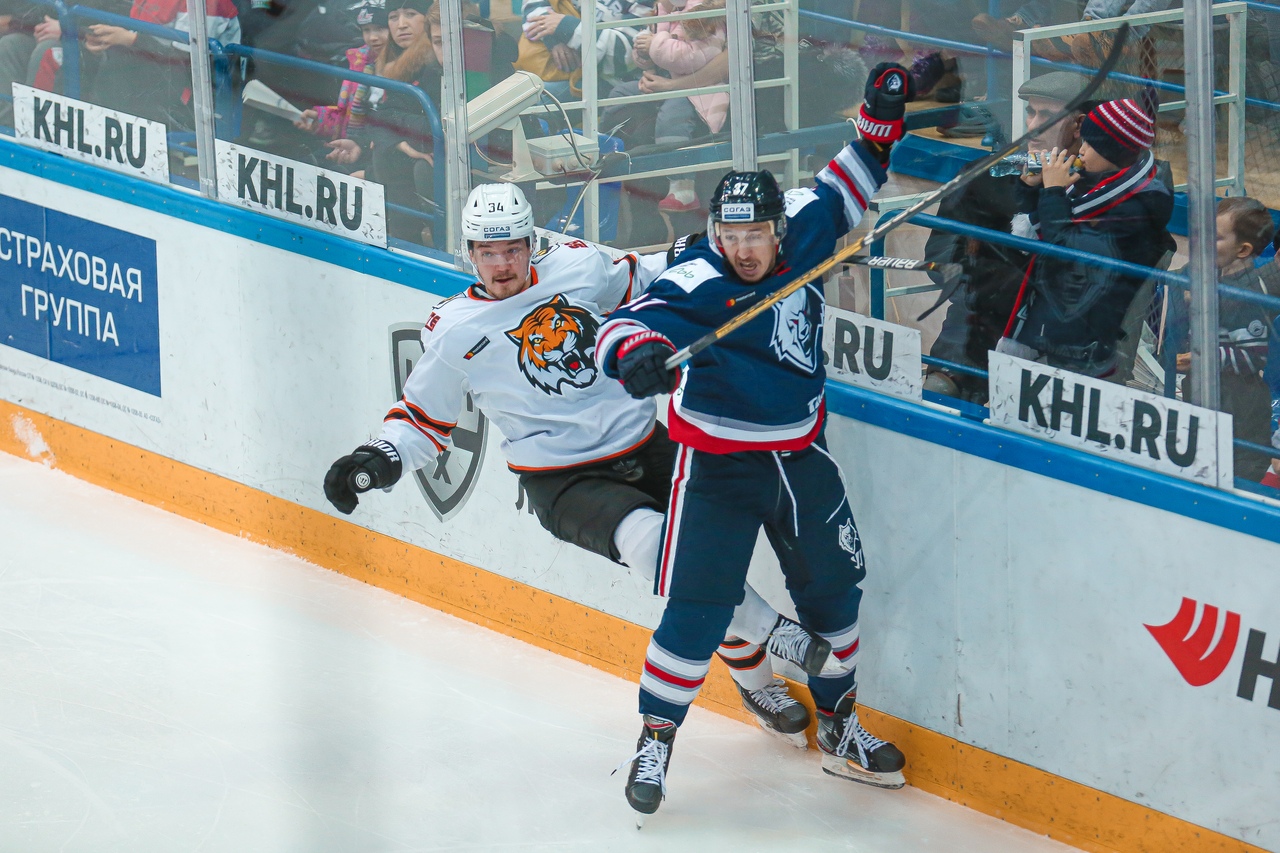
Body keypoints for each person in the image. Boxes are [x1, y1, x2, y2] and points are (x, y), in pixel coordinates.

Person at [323, 182, 835, 750]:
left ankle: (755, 686)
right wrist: (377, 458)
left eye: (512, 249)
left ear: (531, 242)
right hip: (564, 481)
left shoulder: (577, 266)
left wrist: (706, 247)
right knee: (657, 547)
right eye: (488, 253)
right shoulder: (453, 330)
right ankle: (776, 635)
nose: (502, 265)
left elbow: (647, 278)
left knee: (704, 562)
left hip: (648, 444)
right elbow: (423, 419)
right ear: (469, 252)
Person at [596, 63, 914, 818]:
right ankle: (656, 737)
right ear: (715, 232)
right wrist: (634, 357)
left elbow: (859, 168)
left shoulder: (807, 224)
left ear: (779, 229)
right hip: (718, 467)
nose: (744, 249)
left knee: (835, 598)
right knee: (698, 607)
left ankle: (840, 725)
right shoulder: (697, 280)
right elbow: (625, 326)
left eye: (755, 236)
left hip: (801, 457)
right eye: (730, 235)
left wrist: (882, 110)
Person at [923, 71, 1087, 404]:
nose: (1033, 125)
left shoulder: (1097, 188)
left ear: (1078, 125)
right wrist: (980, 284)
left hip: (1059, 332)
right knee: (939, 392)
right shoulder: (986, 175)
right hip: (976, 323)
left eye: (1047, 115)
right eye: (1031, 112)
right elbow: (941, 253)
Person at [1001, 98, 1175, 379]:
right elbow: (1042, 223)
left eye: (1090, 145)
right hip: (1057, 321)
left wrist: (1053, 191)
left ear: (1113, 152)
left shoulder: (1134, 209)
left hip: (1086, 338)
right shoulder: (1098, 182)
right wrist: (1031, 187)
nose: (1080, 150)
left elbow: (1064, 252)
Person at [1174, 197, 1280, 483]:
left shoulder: (1250, 295)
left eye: (1216, 237)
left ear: (1243, 250)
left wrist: (1206, 356)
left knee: (1237, 467)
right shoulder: (1213, 278)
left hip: (1238, 401)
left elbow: (1253, 357)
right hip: (1207, 387)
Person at [632, 0, 728, 212]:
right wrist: (644, 54)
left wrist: (654, 45)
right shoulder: (663, 10)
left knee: (673, 115)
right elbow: (655, 49)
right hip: (666, 78)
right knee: (621, 95)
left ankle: (682, 187)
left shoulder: (705, 11)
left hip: (699, 89)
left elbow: (694, 58)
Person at [293, 1, 389, 156]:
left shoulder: (407, 68)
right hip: (357, 147)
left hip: (379, 153)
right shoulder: (359, 62)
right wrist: (319, 119)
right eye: (366, 30)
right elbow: (348, 114)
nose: (372, 37)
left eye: (380, 28)